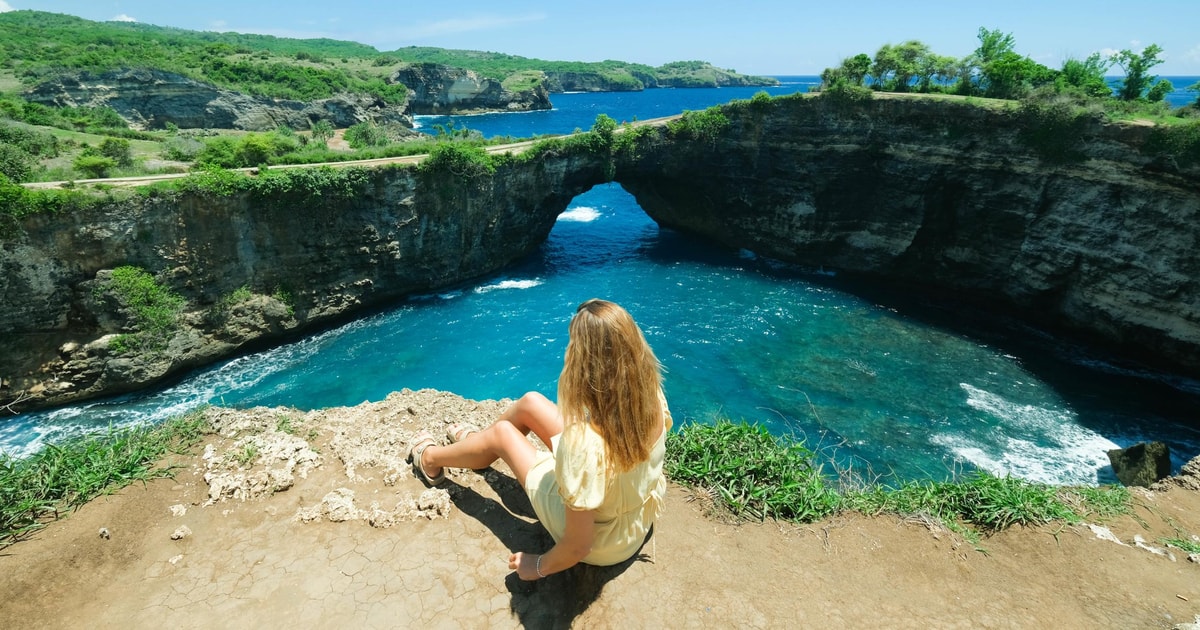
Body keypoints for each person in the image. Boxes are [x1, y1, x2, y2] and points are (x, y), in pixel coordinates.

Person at [407, 298, 671, 580]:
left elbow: (578, 546)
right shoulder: (650, 394)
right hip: (636, 517)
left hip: (604, 541)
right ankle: (477, 446)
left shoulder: (583, 446)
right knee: (530, 403)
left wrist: (535, 566)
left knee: (503, 434)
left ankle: (430, 459)